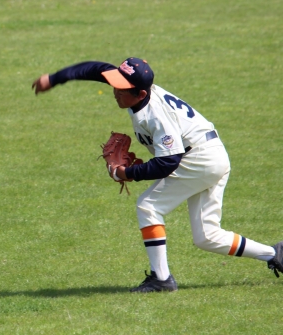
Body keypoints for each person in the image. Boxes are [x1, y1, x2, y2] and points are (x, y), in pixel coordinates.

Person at [31, 58, 283, 292]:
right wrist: (54, 78)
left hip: (199, 159)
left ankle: (161, 278)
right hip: (210, 154)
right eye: (116, 84)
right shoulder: (135, 88)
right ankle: (275, 254)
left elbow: (167, 163)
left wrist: (127, 173)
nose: (115, 91)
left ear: (140, 94)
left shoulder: (156, 116)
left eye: (121, 89)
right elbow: (96, 69)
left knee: (148, 206)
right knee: (207, 237)